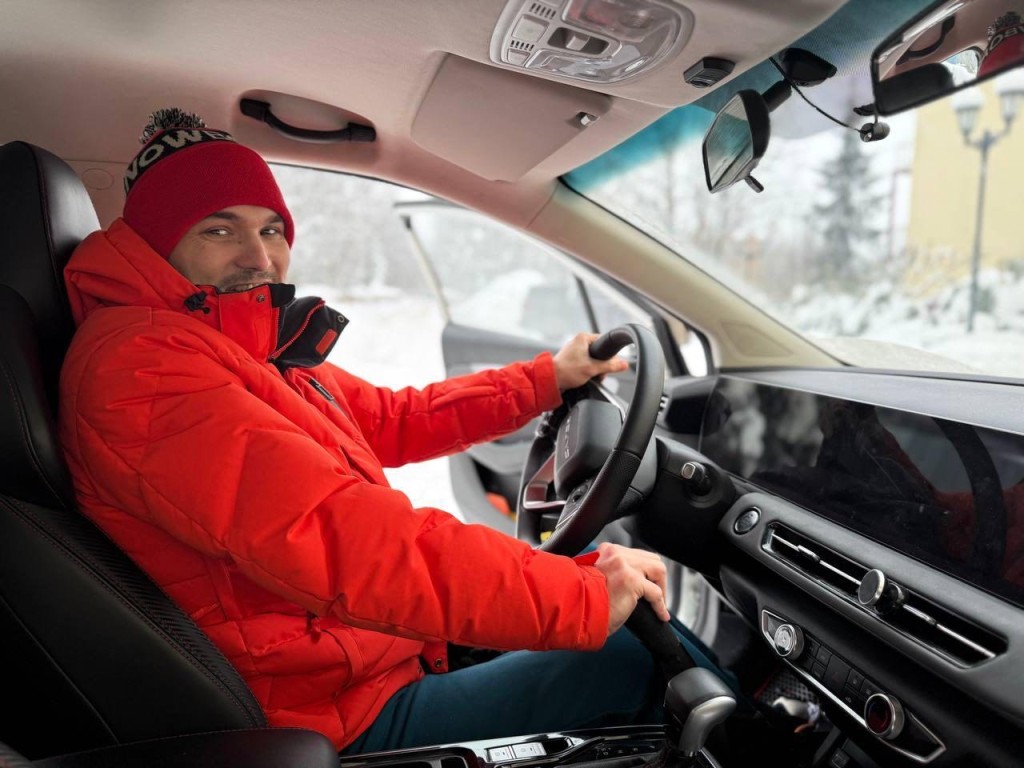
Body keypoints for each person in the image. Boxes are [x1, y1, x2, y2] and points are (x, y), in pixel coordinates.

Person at [58, 109, 723, 753]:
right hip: (326, 710)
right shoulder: (144, 367)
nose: (258, 255)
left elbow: (390, 418)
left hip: (356, 657)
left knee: (610, 605)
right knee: (633, 650)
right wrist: (577, 597)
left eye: (271, 229)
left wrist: (544, 379)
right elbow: (341, 535)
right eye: (219, 230)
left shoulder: (236, 345)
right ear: (159, 244)